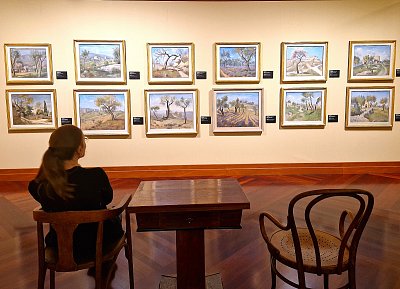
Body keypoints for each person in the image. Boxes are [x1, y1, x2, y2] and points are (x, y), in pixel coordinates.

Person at [28, 124, 123, 265]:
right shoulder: (96, 176)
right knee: (114, 215)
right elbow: (107, 199)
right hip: (98, 245)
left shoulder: (38, 185)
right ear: (79, 149)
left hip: (59, 247)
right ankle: (103, 273)